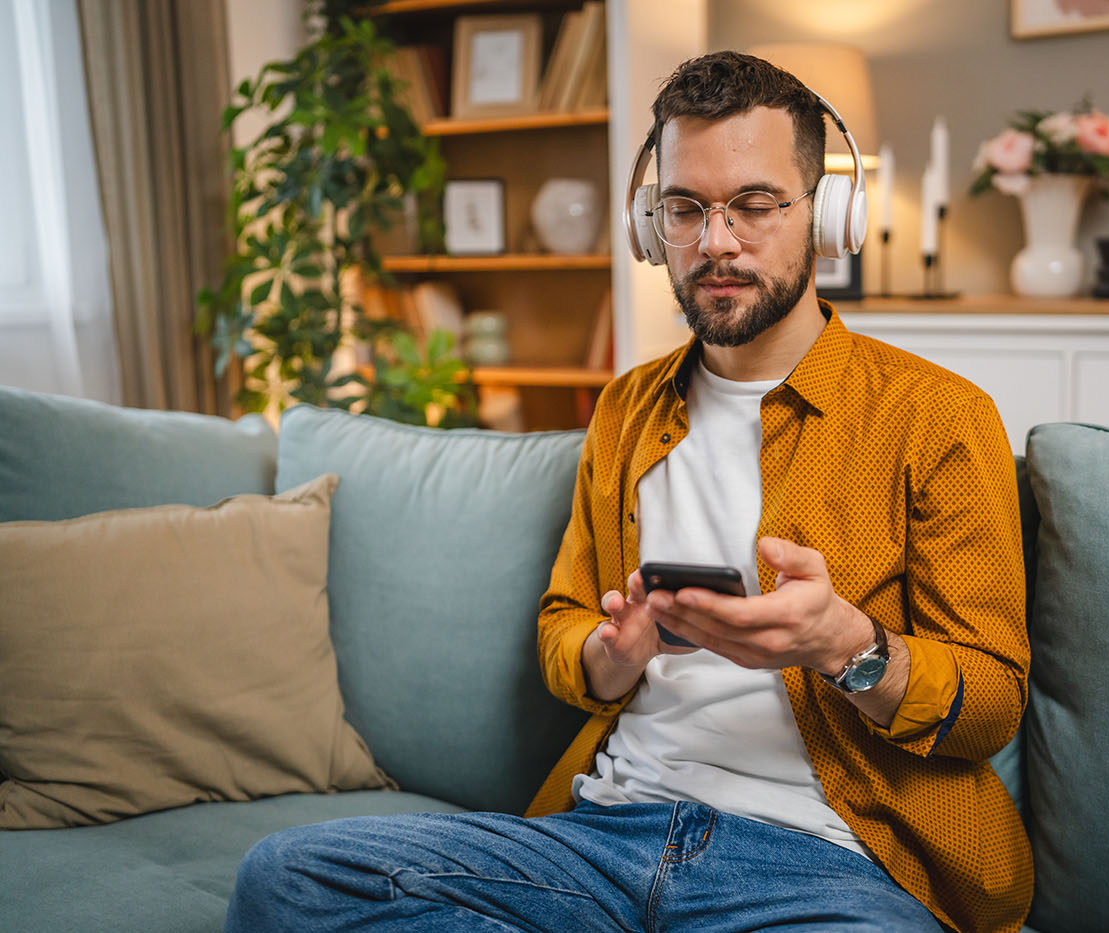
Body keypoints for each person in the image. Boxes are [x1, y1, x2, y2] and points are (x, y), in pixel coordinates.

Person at [226, 51, 1031, 933]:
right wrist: (616, 652)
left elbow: (990, 699)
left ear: (830, 216)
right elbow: (563, 627)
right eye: (686, 209)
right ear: (654, 227)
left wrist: (847, 645)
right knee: (289, 877)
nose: (716, 242)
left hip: (824, 861)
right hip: (609, 835)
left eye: (754, 206)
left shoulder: (940, 416)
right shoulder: (625, 408)